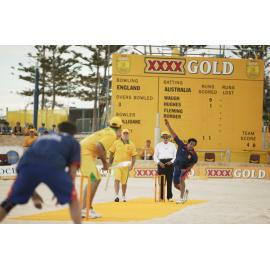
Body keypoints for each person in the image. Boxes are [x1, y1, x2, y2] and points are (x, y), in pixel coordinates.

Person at [0, 121, 81, 224]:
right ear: (73, 133)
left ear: (59, 130)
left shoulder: (42, 138)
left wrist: (32, 193)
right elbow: (72, 172)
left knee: (9, 202)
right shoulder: (72, 141)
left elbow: (24, 166)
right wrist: (66, 190)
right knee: (73, 200)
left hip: (26, 165)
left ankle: (31, 197)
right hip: (53, 165)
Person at [80, 116, 122, 218]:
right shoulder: (112, 134)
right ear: (120, 128)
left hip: (82, 152)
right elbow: (99, 146)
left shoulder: (107, 131)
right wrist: (105, 164)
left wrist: (105, 162)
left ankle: (87, 208)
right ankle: (85, 209)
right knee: (94, 179)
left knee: (95, 179)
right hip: (83, 154)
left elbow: (99, 147)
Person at [164, 119, 198, 204]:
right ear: (188, 143)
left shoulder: (194, 155)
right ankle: (185, 192)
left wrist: (187, 170)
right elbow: (174, 134)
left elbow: (194, 163)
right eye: (191, 144)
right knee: (175, 185)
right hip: (176, 167)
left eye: (193, 145)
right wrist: (168, 125)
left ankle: (181, 198)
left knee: (182, 180)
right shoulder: (181, 144)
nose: (192, 146)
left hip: (184, 169)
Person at [109, 129, 137, 202]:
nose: (125, 135)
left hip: (126, 166)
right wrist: (109, 163)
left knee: (124, 182)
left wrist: (132, 165)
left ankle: (123, 195)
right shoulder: (116, 143)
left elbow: (134, 156)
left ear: (128, 135)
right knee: (117, 179)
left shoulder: (132, 144)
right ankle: (116, 195)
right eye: (124, 133)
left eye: (127, 134)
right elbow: (111, 153)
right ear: (121, 134)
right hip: (117, 165)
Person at [153, 131, 177, 201]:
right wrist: (159, 162)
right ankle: (161, 197)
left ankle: (169, 197)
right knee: (162, 181)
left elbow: (176, 156)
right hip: (161, 163)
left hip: (170, 163)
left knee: (169, 181)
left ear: (169, 137)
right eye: (164, 137)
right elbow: (155, 156)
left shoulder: (173, 145)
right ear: (162, 137)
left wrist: (171, 161)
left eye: (167, 137)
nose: (165, 138)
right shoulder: (158, 145)